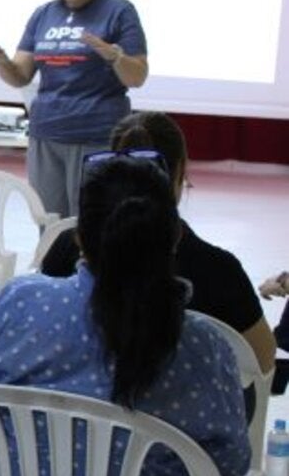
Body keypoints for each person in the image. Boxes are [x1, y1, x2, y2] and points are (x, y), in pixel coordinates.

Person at [0, 156, 250, 476]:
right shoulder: (203, 345)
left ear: (79, 237)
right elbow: (230, 467)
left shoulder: (19, 303)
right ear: (175, 238)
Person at [40, 112, 277, 375]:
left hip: (71, 410)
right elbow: (263, 363)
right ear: (179, 173)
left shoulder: (65, 249)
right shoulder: (219, 272)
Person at [0, 0, 148, 216]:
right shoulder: (43, 14)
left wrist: (115, 56)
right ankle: (54, 262)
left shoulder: (119, 10)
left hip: (98, 134)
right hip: (47, 134)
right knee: (49, 220)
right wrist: (2, 61)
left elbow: (137, 76)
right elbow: (20, 76)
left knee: (93, 222)